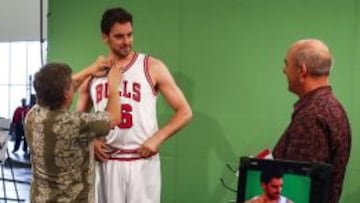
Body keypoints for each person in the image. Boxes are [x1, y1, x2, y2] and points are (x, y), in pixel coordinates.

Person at [76, 7, 193, 203]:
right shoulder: (93, 74)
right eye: (119, 36)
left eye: (130, 34)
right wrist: (90, 141)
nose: (127, 41)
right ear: (105, 37)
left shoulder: (152, 66)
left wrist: (158, 138)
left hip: (142, 160)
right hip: (107, 163)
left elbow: (185, 112)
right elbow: (76, 120)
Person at [24, 58, 123, 203]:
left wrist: (90, 70)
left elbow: (53, 89)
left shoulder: (32, 115)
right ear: (66, 93)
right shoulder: (74, 123)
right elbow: (114, 117)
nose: (74, 84)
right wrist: (114, 86)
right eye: (70, 85)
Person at [273, 39, 351, 203]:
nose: (283, 70)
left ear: (302, 70)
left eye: (286, 64)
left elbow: (300, 188)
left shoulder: (312, 115)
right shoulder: (330, 106)